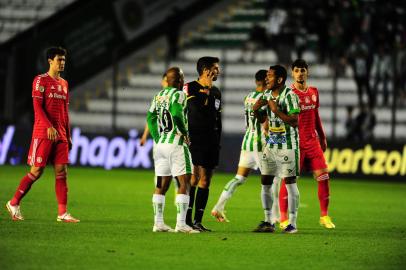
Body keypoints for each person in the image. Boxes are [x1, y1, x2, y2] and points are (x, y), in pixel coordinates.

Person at [5, 47, 79, 223]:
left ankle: (62, 213)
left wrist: (68, 135)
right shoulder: (40, 80)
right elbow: (37, 108)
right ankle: (13, 203)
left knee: (62, 172)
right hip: (43, 133)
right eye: (59, 60)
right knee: (37, 171)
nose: (62, 63)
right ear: (50, 61)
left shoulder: (64, 84)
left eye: (63, 60)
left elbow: (65, 112)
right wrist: (49, 126)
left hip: (60, 134)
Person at [210, 70, 276, 232]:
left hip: (247, 141)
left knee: (239, 177)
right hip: (261, 143)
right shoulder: (266, 99)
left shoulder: (248, 97)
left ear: (255, 82)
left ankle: (218, 207)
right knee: (271, 181)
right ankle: (272, 218)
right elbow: (266, 124)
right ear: (266, 81)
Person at [277, 59, 335, 230]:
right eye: (296, 70)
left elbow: (316, 115)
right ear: (292, 73)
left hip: (312, 141)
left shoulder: (314, 92)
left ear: (307, 72)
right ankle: (283, 218)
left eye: (303, 70)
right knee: (289, 181)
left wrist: (322, 137)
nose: (300, 73)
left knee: (324, 177)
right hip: (295, 142)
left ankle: (324, 216)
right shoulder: (288, 94)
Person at [146, 67, 199, 233]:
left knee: (161, 183)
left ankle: (158, 223)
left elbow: (150, 117)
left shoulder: (158, 95)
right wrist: (185, 133)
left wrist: (156, 137)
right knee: (185, 182)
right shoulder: (179, 95)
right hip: (176, 144)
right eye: (182, 78)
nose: (183, 81)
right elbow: (176, 114)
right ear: (178, 80)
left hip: (160, 146)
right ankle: (181, 224)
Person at [252, 65, 300, 233]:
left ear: (279, 80)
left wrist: (276, 110)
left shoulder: (290, 96)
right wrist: (256, 110)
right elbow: (263, 118)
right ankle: (268, 221)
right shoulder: (266, 94)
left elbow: (294, 121)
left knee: (290, 184)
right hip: (270, 146)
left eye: (270, 76)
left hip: (288, 146)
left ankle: (292, 224)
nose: (267, 79)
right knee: (265, 182)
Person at [183, 56, 222, 232]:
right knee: (193, 178)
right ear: (207, 70)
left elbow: (217, 117)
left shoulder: (216, 92)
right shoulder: (189, 87)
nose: (218, 71)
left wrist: (218, 139)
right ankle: (186, 219)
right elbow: (193, 110)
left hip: (211, 140)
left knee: (206, 179)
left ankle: (198, 221)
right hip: (194, 137)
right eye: (216, 68)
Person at [140, 74, 168, 147]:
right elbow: (151, 118)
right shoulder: (158, 98)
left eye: (169, 81)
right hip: (160, 139)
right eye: (165, 81)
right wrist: (144, 136)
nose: (167, 83)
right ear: (162, 82)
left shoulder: (177, 96)